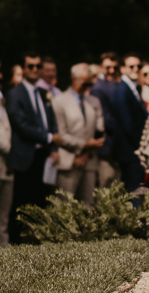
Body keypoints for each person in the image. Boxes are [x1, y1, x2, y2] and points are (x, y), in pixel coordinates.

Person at [6, 53, 61, 242]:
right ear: (23, 68)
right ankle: (19, 242)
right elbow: (21, 125)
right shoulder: (15, 94)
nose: (35, 69)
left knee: (41, 200)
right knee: (22, 203)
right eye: (31, 66)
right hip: (25, 156)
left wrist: (53, 146)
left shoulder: (43, 93)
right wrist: (48, 137)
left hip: (43, 154)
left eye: (38, 66)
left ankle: (38, 240)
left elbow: (51, 120)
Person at [52, 64, 105, 203]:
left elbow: (100, 131)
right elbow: (61, 135)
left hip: (89, 162)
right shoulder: (59, 101)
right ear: (73, 79)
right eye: (84, 82)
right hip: (68, 161)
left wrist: (85, 153)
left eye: (89, 83)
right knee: (64, 208)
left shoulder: (94, 101)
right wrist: (84, 145)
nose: (87, 86)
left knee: (87, 205)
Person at [111, 55, 148, 191]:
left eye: (138, 66)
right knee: (133, 190)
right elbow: (128, 125)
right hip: (129, 149)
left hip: (133, 149)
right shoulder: (122, 90)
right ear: (122, 69)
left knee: (137, 187)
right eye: (131, 66)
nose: (136, 69)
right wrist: (143, 141)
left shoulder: (133, 87)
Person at [91, 53, 121, 188]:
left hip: (118, 147)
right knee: (106, 188)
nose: (112, 71)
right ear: (100, 68)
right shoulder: (98, 88)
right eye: (108, 67)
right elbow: (105, 119)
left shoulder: (116, 84)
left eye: (115, 67)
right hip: (107, 147)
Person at [0, 61, 13, 246]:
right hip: (6, 156)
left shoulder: (3, 98)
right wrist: (12, 152)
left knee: (4, 214)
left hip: (7, 165)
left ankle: (4, 247)